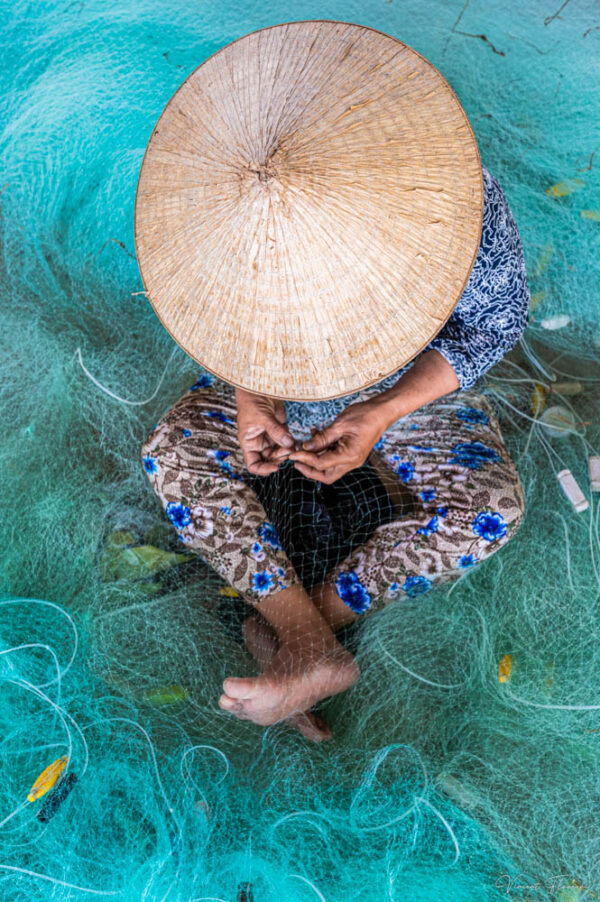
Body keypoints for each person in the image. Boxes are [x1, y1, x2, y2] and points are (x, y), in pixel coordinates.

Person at [140, 164, 530, 742]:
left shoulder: (454, 202)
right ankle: (307, 642)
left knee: (488, 510)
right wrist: (254, 393)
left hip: (406, 379)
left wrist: (382, 410)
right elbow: (221, 324)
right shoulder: (219, 196)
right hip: (279, 378)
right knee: (172, 452)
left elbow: (491, 325)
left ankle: (301, 631)